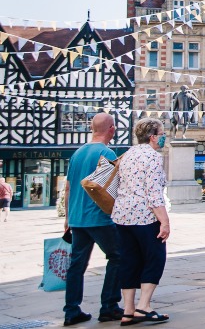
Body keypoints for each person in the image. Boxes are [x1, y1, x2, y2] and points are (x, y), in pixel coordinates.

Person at [62, 113, 124, 326]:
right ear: (111, 129)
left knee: (76, 265)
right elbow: (112, 187)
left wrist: (68, 218)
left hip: (78, 219)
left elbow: (68, 188)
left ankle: (71, 311)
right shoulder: (106, 153)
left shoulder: (77, 153)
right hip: (100, 217)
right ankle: (109, 306)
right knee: (117, 257)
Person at [112, 117, 170, 326]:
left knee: (129, 260)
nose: (163, 138)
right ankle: (144, 306)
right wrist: (164, 221)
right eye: (162, 134)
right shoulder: (152, 157)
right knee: (154, 258)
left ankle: (128, 310)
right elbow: (153, 193)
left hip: (122, 216)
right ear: (153, 137)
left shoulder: (127, 154)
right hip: (144, 217)